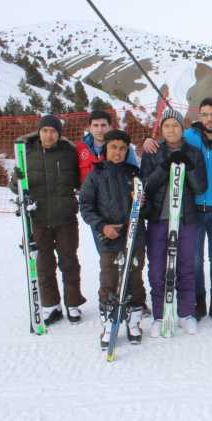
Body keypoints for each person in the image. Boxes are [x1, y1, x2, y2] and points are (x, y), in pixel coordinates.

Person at [144, 97, 212, 323]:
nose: (209, 118)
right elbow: (168, 137)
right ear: (199, 116)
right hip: (192, 208)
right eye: (204, 114)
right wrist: (148, 140)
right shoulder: (190, 136)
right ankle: (199, 303)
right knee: (193, 259)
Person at [10, 114, 85, 325]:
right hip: (38, 218)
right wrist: (15, 180)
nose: (49, 135)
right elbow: (16, 188)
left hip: (65, 218)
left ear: (59, 134)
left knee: (69, 261)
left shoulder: (69, 152)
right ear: (39, 132)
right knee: (43, 264)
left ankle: (73, 303)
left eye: (53, 131)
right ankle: (51, 305)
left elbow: (81, 179)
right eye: (45, 130)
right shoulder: (27, 152)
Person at [140, 109, 207, 337]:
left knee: (186, 266)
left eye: (175, 126)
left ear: (182, 129)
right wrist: (164, 166)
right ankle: (160, 315)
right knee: (158, 268)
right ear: (161, 129)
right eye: (167, 126)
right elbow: (146, 185)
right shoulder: (152, 151)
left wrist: (187, 168)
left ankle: (186, 313)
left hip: (186, 218)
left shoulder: (194, 152)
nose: (171, 130)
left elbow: (201, 188)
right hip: (160, 218)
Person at [79, 130, 146, 348]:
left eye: (122, 148)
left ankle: (134, 322)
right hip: (108, 237)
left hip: (133, 236)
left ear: (127, 151)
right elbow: (86, 206)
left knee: (134, 278)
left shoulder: (135, 174)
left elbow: (149, 207)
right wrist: (102, 226)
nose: (117, 152)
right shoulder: (96, 174)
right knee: (108, 278)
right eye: (113, 147)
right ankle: (108, 324)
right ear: (106, 149)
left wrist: (142, 203)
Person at [77, 110, 138, 184]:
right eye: (96, 125)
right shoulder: (80, 148)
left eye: (103, 125)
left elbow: (134, 177)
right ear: (90, 128)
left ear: (110, 127)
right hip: (87, 193)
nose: (100, 130)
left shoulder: (124, 148)